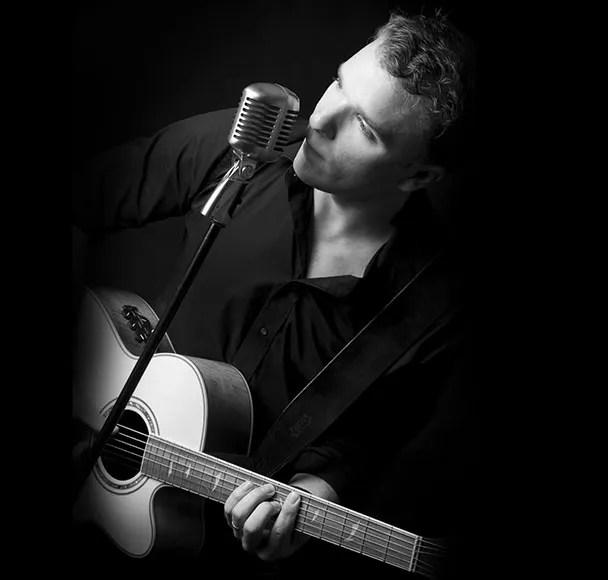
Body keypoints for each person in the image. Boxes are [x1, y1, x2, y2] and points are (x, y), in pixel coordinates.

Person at [71, 8, 480, 579]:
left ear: (418, 177)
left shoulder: (433, 303)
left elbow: (363, 443)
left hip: (195, 549)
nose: (319, 118)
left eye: (363, 127)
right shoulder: (239, 149)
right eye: (339, 80)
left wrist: (309, 501)